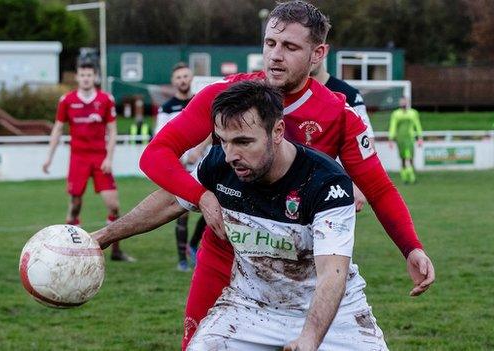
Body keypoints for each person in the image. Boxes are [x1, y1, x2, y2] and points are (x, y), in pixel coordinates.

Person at [138, 2, 435, 348]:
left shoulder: (337, 114)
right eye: (270, 44)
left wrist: (411, 247)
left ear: (318, 53)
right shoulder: (226, 96)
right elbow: (155, 155)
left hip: (302, 270)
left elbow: (379, 189)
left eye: (290, 47)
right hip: (226, 258)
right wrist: (201, 196)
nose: (275, 56)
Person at [93, 81, 388, 350]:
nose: (231, 153)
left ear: (277, 131)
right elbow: (172, 202)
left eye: (243, 142)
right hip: (250, 308)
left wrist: (310, 338)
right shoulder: (222, 163)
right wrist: (103, 237)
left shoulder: (326, 183)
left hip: (335, 316)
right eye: (222, 140)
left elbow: (332, 273)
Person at [42, 62, 134, 262]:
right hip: (78, 158)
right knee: (75, 204)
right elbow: (58, 129)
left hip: (100, 158)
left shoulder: (105, 99)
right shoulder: (67, 100)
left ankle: (116, 250)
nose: (85, 78)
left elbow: (112, 131)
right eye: (82, 74)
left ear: (95, 77)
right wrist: (48, 157)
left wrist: (109, 158)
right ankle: (69, 248)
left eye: (89, 75)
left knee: (113, 205)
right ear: (77, 77)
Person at [157, 62, 206, 271]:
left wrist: (198, 149)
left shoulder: (201, 101)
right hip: (181, 169)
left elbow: (214, 128)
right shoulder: (167, 108)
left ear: (191, 77)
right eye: (178, 77)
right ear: (173, 81)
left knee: (213, 206)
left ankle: (193, 245)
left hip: (204, 165)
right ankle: (182, 260)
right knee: (181, 212)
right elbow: (160, 139)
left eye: (185, 76)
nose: (182, 80)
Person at [310, 57, 372, 211]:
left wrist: (360, 184)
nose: (310, 57)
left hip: (335, 185)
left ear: (324, 51)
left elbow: (366, 140)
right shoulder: (285, 92)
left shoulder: (349, 94)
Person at [388, 97, 423, 184]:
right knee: (403, 158)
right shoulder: (396, 114)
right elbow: (393, 126)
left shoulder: (413, 113)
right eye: (402, 102)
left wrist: (420, 137)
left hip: (409, 138)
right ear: (400, 103)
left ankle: (412, 178)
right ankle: (405, 178)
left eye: (405, 101)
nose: (403, 103)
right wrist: (391, 139)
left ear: (407, 102)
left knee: (410, 157)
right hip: (400, 139)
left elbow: (417, 125)